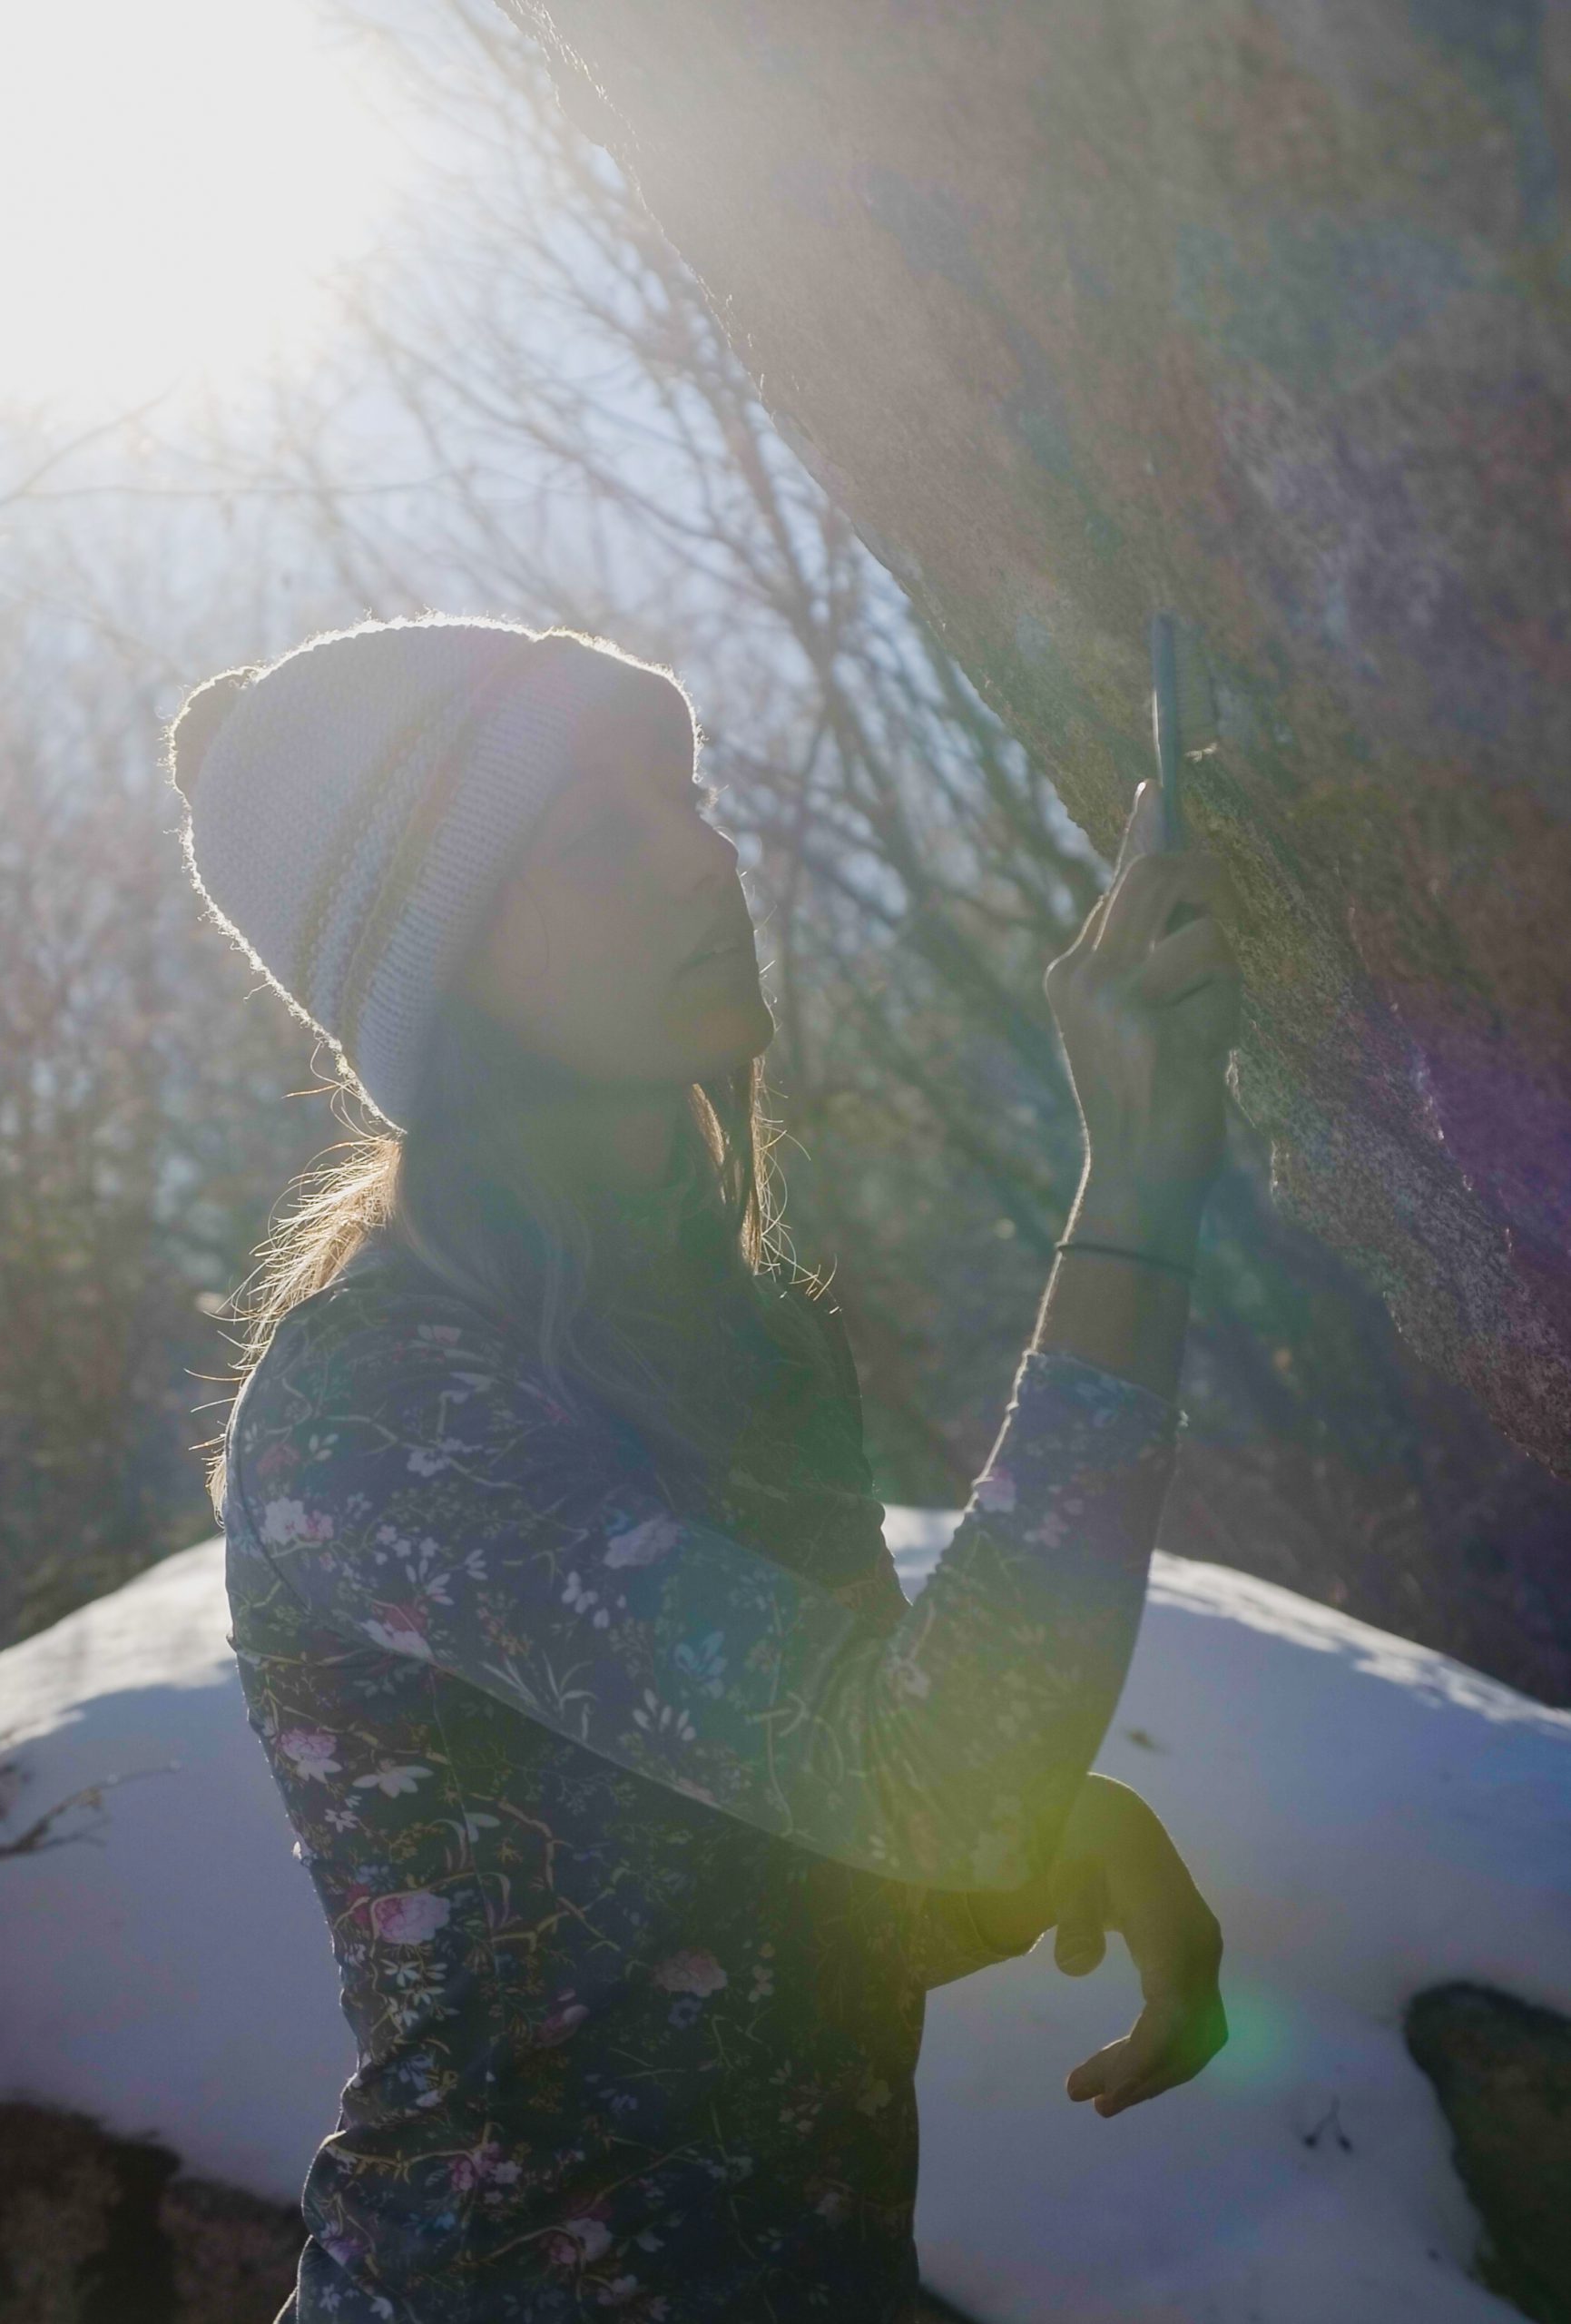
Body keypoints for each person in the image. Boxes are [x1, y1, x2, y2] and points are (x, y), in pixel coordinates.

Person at [167, 613, 1236, 2324]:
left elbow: (770, 1890)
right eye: (599, 837)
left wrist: (1056, 1835)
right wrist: (1138, 1196)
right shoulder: (376, 1416)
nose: (701, 860)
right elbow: (927, 1777)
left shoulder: (734, 1327)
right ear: (433, 973)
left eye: (684, 792)